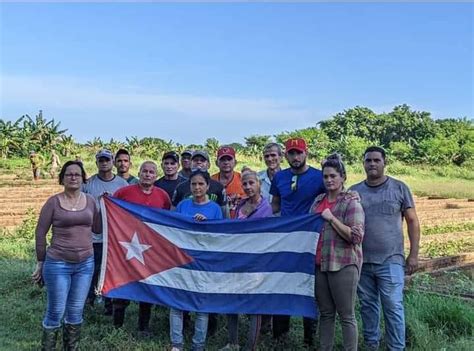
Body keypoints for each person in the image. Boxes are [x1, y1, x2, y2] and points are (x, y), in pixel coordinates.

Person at [350, 146, 420, 351]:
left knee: (393, 306)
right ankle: (372, 345)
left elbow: (413, 221)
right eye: (368, 160)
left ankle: (396, 347)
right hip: (362, 260)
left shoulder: (399, 188)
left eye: (376, 160)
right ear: (363, 163)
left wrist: (413, 255)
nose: (372, 164)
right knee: (367, 306)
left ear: (384, 162)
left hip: (391, 260)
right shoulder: (355, 192)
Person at [32, 161, 101, 350]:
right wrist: (40, 262)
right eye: (69, 174)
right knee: (56, 311)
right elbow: (40, 233)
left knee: (76, 311)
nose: (73, 177)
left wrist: (105, 207)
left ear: (83, 178)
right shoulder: (53, 202)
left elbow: (97, 228)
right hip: (58, 264)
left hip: (85, 264)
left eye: (77, 174)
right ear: (62, 178)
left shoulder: (91, 201)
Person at [269, 137, 325, 346]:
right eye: (291, 153)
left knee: (308, 287)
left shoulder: (319, 177)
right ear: (286, 155)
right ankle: (279, 337)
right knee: (281, 284)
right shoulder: (280, 177)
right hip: (285, 240)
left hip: (310, 240)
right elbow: (275, 204)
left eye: (299, 153)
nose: (295, 157)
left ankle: (309, 339)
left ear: (306, 153)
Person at [309, 154, 365, 351]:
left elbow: (356, 237)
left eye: (333, 176)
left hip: (343, 264)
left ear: (342, 177)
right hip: (320, 263)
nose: (329, 180)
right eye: (325, 177)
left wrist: (331, 219)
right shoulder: (317, 201)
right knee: (326, 313)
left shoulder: (351, 202)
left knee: (347, 315)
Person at [112, 161, 171, 334]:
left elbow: (166, 218)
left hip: (150, 249)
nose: (147, 174)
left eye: (151, 172)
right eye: (144, 171)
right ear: (138, 172)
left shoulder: (163, 195)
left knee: (147, 287)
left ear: (156, 175)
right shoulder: (124, 192)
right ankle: (117, 328)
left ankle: (143, 327)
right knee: (121, 286)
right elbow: (112, 210)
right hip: (125, 246)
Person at [171, 169, 223, 351]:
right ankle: (176, 343)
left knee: (202, 305)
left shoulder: (215, 209)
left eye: (201, 184)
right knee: (176, 303)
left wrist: (205, 224)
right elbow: (173, 230)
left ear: (208, 186)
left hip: (204, 264)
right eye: (194, 184)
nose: (197, 187)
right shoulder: (183, 206)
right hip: (181, 261)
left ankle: (198, 345)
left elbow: (219, 237)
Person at [220, 169, 272, 351]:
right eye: (245, 183)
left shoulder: (266, 208)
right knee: (232, 300)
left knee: (253, 305)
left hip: (256, 261)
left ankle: (251, 346)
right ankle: (232, 342)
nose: (248, 187)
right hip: (236, 259)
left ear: (259, 184)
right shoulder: (239, 205)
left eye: (252, 183)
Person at [82, 149, 128, 314]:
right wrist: (99, 203)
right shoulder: (89, 184)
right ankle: (89, 301)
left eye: (107, 160)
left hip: (115, 236)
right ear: (96, 162)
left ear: (112, 162)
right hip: (94, 237)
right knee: (92, 270)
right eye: (101, 160)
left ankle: (110, 303)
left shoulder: (122, 184)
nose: (104, 163)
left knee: (111, 270)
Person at [212, 146, 245, 219]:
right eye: (222, 160)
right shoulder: (210, 181)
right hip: (216, 222)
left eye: (229, 159)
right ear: (216, 163)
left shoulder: (243, 179)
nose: (226, 162)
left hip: (239, 222)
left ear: (235, 162)